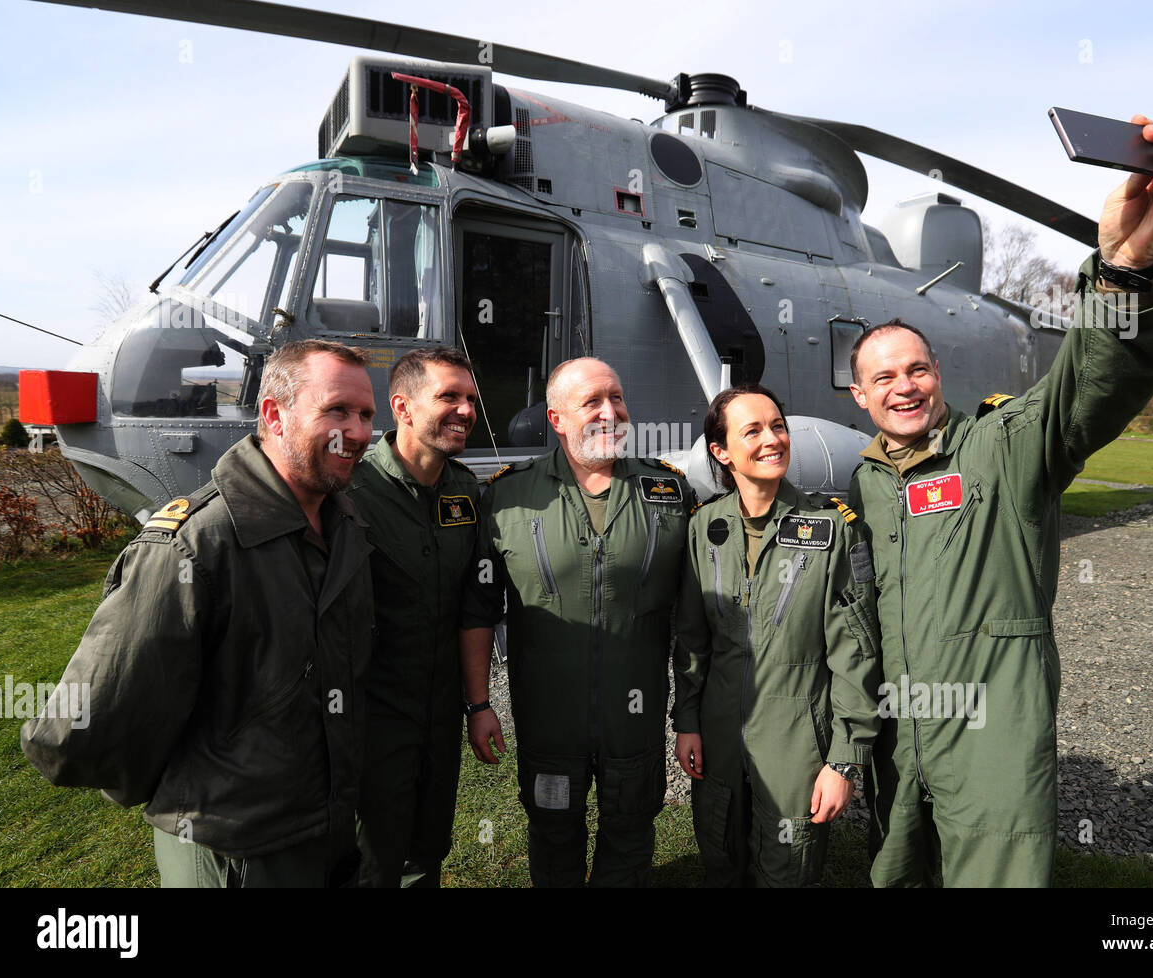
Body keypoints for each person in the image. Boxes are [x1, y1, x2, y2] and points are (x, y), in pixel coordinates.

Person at [846, 116, 1153, 887]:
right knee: (897, 869)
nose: (905, 387)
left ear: (938, 374)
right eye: (885, 379)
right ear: (862, 398)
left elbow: (1090, 390)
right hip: (902, 734)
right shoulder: (864, 483)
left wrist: (1127, 271)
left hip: (990, 731)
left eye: (917, 370)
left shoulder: (1005, 444)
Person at [21, 339, 377, 887]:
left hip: (325, 834)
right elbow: (84, 724)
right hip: (232, 852)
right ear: (274, 416)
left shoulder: (344, 527)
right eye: (336, 410)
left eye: (365, 415)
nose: (357, 432)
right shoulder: (195, 543)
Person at [460, 357, 694, 887]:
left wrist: (691, 713)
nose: (610, 412)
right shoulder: (507, 495)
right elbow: (478, 611)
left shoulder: (669, 493)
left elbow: (695, 615)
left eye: (617, 398)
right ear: (556, 418)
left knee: (631, 834)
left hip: (635, 718)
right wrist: (478, 704)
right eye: (591, 402)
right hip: (549, 722)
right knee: (552, 834)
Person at [672, 383, 882, 887]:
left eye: (778, 426)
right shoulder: (705, 529)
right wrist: (688, 722)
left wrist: (843, 759)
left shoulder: (830, 527)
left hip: (796, 740)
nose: (773, 439)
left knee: (787, 868)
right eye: (754, 430)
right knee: (720, 855)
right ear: (721, 452)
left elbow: (855, 651)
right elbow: (692, 640)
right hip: (719, 733)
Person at [347, 347, 483, 888]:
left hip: (439, 711)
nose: (466, 410)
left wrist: (476, 704)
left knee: (429, 842)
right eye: (448, 396)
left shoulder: (466, 491)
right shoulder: (351, 491)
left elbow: (474, 603)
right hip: (369, 715)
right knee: (370, 853)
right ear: (402, 408)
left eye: (470, 398)